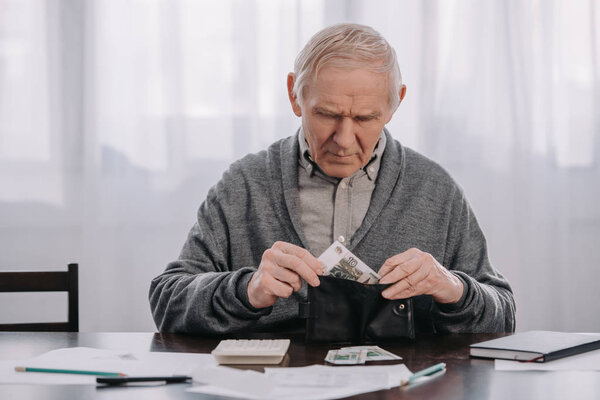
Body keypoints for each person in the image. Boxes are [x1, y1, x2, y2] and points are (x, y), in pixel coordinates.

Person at [149, 23, 516, 334]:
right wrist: (246, 290)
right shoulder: (245, 184)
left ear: (395, 104)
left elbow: (504, 314)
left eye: (365, 119)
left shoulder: (435, 189)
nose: (343, 140)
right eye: (326, 114)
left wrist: (452, 289)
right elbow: (167, 301)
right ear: (295, 95)